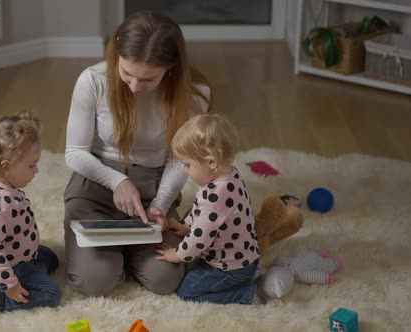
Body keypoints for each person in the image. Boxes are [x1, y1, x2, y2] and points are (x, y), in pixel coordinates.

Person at [63, 11, 213, 297]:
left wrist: (160, 204)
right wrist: (117, 181)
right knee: (95, 282)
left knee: (166, 280)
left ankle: (125, 251)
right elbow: (75, 153)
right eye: (127, 73)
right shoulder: (92, 80)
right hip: (94, 190)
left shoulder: (194, 94)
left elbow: (180, 159)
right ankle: (112, 256)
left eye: (148, 79)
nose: (134, 87)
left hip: (153, 193)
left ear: (171, 68)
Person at [154, 113, 262, 305]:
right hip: (246, 257)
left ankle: (246, 294)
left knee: (186, 293)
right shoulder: (230, 173)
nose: (185, 170)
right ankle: (244, 281)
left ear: (211, 162)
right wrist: (186, 226)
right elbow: (203, 214)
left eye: (187, 164)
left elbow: (199, 239)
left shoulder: (215, 196)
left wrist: (178, 254)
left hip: (228, 268)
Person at [0, 112, 61, 319]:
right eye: (32, 165)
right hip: (6, 271)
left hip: (17, 254)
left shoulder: (2, 183)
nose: (37, 171)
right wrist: (10, 285)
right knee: (51, 294)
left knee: (51, 258)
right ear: (6, 166)